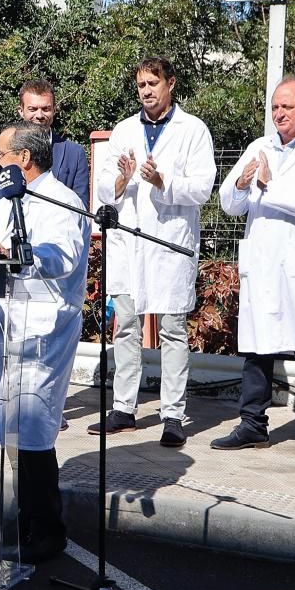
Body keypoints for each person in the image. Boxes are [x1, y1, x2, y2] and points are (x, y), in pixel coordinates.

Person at [0, 120, 90, 562]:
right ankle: (20, 520)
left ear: (23, 158)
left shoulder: (63, 201)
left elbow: (63, 257)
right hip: (7, 326)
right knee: (14, 430)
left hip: (43, 329)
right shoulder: (8, 200)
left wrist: (21, 254)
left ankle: (49, 530)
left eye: (0, 155)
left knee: (36, 430)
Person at [212, 76, 295, 468]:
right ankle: (252, 424)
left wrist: (268, 185)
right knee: (257, 346)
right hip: (265, 260)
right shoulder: (260, 146)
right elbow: (229, 203)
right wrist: (241, 182)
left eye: (287, 107)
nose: (279, 114)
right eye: (274, 107)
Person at [92, 57, 216, 448]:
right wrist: (123, 180)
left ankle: (173, 415)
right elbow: (102, 186)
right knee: (125, 325)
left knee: (173, 330)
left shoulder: (193, 129)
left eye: (153, 83)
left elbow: (202, 187)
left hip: (170, 243)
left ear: (170, 84)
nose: (146, 91)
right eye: (141, 84)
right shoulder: (124, 130)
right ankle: (124, 408)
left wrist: (164, 181)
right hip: (129, 243)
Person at [0, 79, 91, 219]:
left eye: (45, 109)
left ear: (54, 109)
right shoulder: (1, 154)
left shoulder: (74, 153)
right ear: (21, 111)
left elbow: (80, 210)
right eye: (32, 109)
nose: (39, 115)